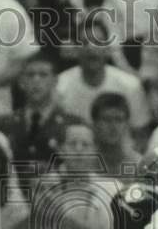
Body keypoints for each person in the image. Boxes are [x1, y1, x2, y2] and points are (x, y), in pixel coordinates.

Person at [55, 12, 151, 144]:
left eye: (97, 42)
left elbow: (141, 136)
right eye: (84, 43)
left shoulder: (130, 85)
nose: (91, 48)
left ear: (107, 48)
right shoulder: (60, 86)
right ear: (76, 49)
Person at [0, 50, 72, 170]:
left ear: (55, 81)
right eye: (30, 75)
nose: (36, 80)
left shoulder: (70, 125)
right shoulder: (6, 124)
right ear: (21, 82)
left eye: (43, 75)